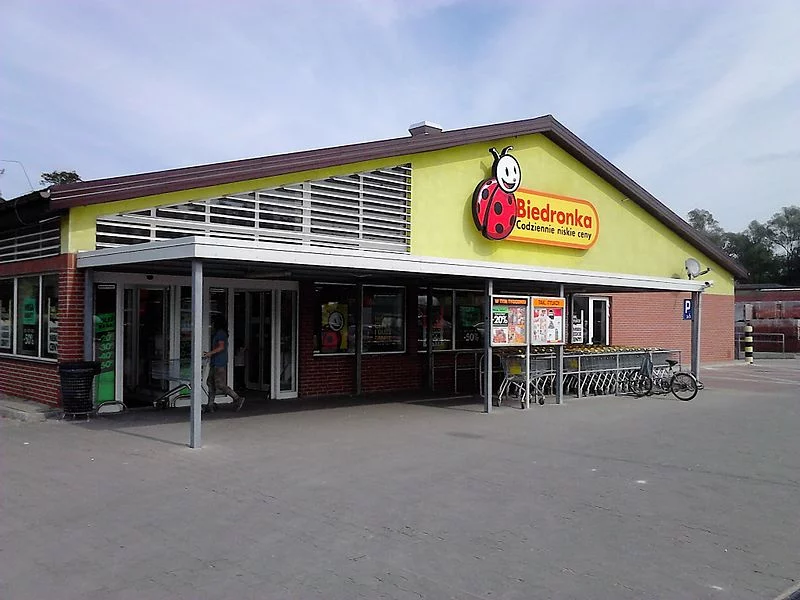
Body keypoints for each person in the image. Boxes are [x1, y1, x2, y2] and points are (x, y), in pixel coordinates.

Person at [203, 316, 244, 412]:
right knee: (210, 382)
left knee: (220, 384)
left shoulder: (221, 333)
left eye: (213, 322)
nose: (212, 324)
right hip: (215, 362)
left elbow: (221, 347)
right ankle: (210, 404)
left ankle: (237, 398)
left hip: (219, 362)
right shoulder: (218, 333)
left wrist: (210, 353)